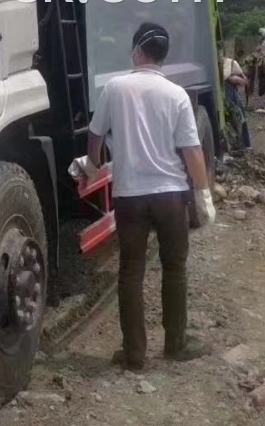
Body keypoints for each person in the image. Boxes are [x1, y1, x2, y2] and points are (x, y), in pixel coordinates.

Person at [87, 22, 214, 371]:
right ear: (161, 55)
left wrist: (91, 165)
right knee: (175, 268)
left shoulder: (115, 88)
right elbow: (192, 152)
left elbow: (95, 139)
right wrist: (203, 196)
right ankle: (175, 343)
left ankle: (134, 353)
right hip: (172, 196)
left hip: (131, 197)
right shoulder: (176, 95)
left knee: (131, 272)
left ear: (138, 51)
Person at [222, 40, 252, 154]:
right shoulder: (212, 65)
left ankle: (243, 146)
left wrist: (233, 79)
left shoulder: (231, 63)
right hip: (221, 99)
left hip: (231, 98)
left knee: (238, 120)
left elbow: (245, 81)